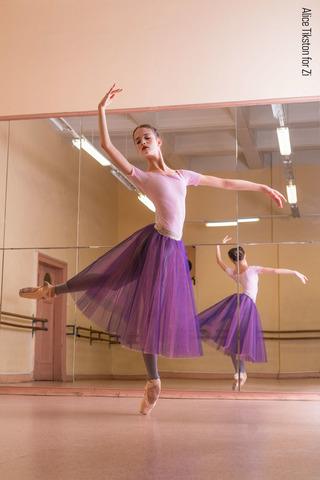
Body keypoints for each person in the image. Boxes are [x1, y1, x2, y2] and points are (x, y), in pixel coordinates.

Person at [19, 85, 286, 414]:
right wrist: (101, 108)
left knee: (145, 304)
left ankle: (150, 382)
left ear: (159, 142)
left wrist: (262, 186)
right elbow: (105, 145)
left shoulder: (183, 175)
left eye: (146, 138)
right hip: (155, 242)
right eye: (137, 141)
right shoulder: (141, 177)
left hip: (172, 250)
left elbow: (227, 183)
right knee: (118, 284)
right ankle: (55, 294)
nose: (141, 143)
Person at [199, 236, 308, 391]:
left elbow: (219, 263)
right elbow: (275, 271)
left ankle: (240, 372)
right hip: (246, 303)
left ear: (232, 260)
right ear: (245, 255)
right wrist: (294, 272)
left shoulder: (234, 272)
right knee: (238, 338)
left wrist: (217, 245)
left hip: (236, 303)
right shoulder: (253, 269)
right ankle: (240, 372)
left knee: (234, 339)